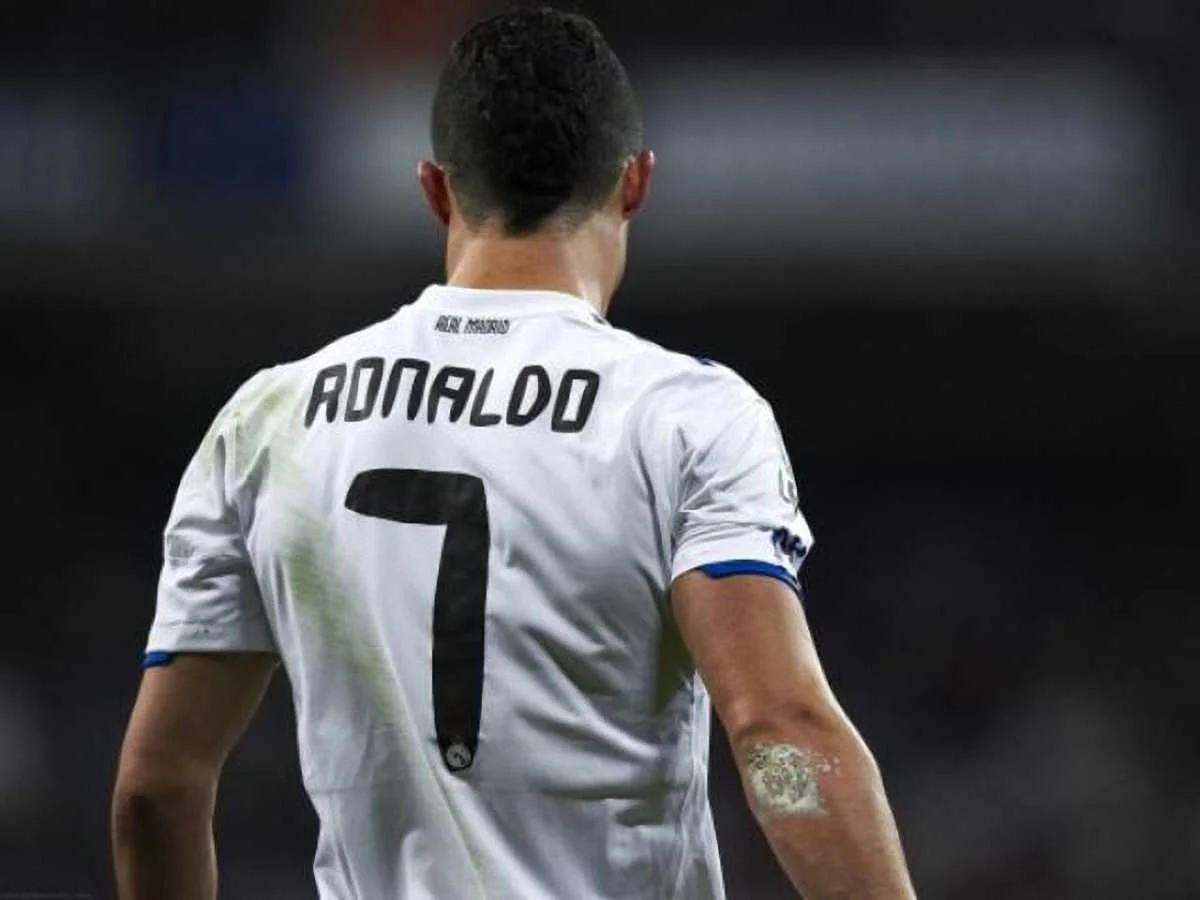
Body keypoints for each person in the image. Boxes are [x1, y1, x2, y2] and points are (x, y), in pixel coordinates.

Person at [111, 8, 916, 899]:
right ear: (635, 182)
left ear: (435, 190)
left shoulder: (269, 420)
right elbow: (776, 735)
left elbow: (156, 790)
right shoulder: (685, 416)